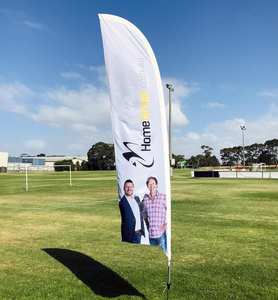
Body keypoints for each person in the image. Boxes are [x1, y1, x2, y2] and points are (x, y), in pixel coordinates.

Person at [143, 176, 167, 253]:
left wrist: (166, 224)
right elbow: (145, 216)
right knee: (155, 256)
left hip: (161, 234)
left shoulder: (163, 197)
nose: (152, 186)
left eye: (153, 183)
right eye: (150, 184)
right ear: (147, 186)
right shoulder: (145, 199)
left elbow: (169, 212)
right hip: (151, 235)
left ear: (156, 185)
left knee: (164, 255)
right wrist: (148, 226)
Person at [119, 179, 147, 244]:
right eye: (127, 187)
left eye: (131, 187)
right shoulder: (122, 202)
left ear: (133, 188)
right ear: (123, 188)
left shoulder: (136, 198)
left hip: (138, 233)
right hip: (129, 235)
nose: (129, 189)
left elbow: (140, 210)